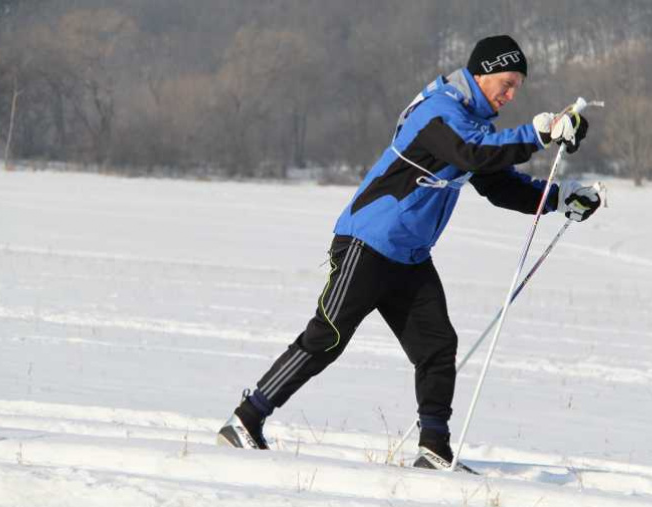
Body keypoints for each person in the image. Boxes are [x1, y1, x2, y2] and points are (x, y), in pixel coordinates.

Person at [217, 35, 600, 471]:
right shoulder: (440, 110)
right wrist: (539, 133)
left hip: (409, 256)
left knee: (438, 345)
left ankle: (433, 451)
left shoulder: (475, 124)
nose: (511, 95)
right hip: (369, 242)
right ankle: (245, 421)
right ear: (483, 72)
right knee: (329, 336)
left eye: (517, 88)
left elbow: (498, 184)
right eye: (507, 83)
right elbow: (469, 152)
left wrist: (561, 198)